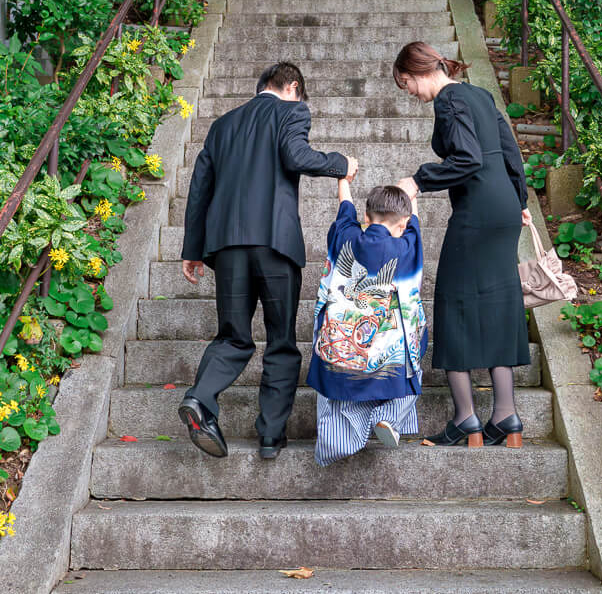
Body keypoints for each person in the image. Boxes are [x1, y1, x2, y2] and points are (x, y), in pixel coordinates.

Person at [177, 62, 357, 459]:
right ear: (293, 86)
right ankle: (271, 437)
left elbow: (199, 189)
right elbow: (296, 156)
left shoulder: (222, 125)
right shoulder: (292, 111)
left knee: (233, 336)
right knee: (280, 341)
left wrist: (193, 250)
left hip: (226, 247)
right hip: (275, 245)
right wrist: (340, 164)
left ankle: (200, 398)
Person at [393, 40, 531, 448]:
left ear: (416, 72)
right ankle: (506, 416)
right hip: (504, 207)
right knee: (501, 303)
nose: (412, 95)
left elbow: (467, 159)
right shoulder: (480, 94)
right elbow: (510, 152)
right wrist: (520, 202)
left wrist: (418, 180)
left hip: (478, 211)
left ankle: (466, 418)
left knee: (453, 302)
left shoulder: (449, 101)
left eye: (406, 85)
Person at [307, 179, 427, 465]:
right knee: (413, 362)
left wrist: (344, 180)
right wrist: (412, 193)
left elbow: (344, 208)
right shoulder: (406, 246)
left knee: (338, 388)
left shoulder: (346, 236)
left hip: (341, 346)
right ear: (403, 223)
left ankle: (337, 443)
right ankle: (386, 418)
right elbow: (414, 224)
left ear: (366, 216)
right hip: (388, 348)